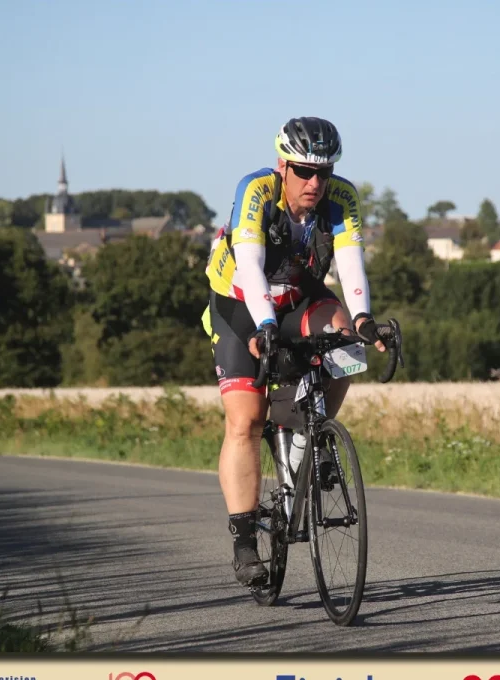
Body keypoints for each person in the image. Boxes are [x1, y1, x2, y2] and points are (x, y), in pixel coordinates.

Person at [201, 116, 387, 588]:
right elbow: (250, 265)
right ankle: (244, 539)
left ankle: (314, 428)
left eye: (323, 172)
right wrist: (264, 327)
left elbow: (350, 263)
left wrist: (363, 319)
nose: (315, 182)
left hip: (297, 298)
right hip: (241, 302)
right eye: (304, 171)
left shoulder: (341, 198)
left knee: (345, 339)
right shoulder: (257, 192)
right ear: (283, 166)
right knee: (246, 419)